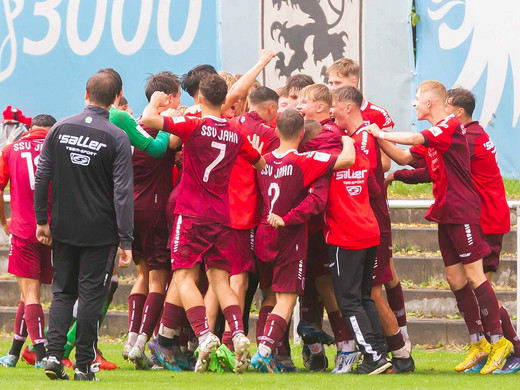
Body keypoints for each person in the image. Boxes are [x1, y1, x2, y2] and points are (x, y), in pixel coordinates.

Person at [367, 80, 512, 374]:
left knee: (475, 276)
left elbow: (416, 141)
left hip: (464, 212)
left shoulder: (447, 125)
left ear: (431, 103)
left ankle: (500, 343)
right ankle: (478, 343)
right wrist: (377, 141)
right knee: (454, 278)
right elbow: (407, 158)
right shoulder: (437, 134)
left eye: (417, 99)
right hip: (446, 212)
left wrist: (380, 131)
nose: (414, 104)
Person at [141, 74, 265, 374]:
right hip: (222, 214)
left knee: (184, 277)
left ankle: (205, 334)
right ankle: (237, 332)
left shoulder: (193, 125)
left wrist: (157, 102)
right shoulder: (236, 133)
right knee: (220, 279)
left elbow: (149, 121)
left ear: (199, 99)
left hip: (191, 211)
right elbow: (260, 162)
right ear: (225, 101)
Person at [34, 70, 134, 381]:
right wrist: (126, 240)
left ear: (86, 93)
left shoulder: (60, 128)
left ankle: (52, 355)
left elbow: (42, 178)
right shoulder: (117, 137)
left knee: (63, 293)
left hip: (63, 227)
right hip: (100, 232)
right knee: (91, 295)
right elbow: (122, 192)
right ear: (117, 99)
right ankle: (82, 366)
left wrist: (42, 221)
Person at [251, 109, 356, 373]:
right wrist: (348, 138)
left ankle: (269, 351)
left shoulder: (261, 159)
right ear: (300, 134)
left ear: (276, 131)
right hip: (289, 235)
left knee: (270, 296)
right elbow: (347, 160)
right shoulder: (305, 160)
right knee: (287, 298)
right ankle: (263, 352)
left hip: (263, 232)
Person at [327, 58, 410, 351]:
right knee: (371, 288)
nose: (332, 90)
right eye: (330, 83)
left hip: (368, 209)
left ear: (353, 83)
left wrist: (356, 158)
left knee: (380, 281)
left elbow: (386, 162)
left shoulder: (372, 117)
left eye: (337, 84)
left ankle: (398, 345)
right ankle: (390, 351)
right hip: (355, 211)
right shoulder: (337, 122)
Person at [324, 89, 393, 375]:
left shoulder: (348, 147)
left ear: (349, 107)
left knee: (349, 301)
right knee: (364, 297)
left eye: (334, 106)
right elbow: (374, 188)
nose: (331, 112)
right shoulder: (358, 148)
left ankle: (374, 357)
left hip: (346, 234)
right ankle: (380, 354)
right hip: (367, 231)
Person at [296, 84, 361, 373]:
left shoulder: (327, 135)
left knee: (326, 283)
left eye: (304, 102)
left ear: (321, 108)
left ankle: (348, 346)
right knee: (308, 283)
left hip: (323, 222)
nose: (299, 106)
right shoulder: (314, 132)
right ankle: (316, 350)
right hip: (306, 223)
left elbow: (333, 164)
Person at [126, 72, 183, 370]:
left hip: (130, 210)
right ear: (170, 98)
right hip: (156, 208)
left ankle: (130, 336)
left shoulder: (133, 127)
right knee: (158, 279)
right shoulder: (162, 128)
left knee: (141, 274)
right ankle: (140, 344)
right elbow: (176, 139)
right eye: (178, 97)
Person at [0, 115, 55, 369]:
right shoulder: (58, 147)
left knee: (30, 293)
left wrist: (4, 222)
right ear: (51, 129)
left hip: (23, 230)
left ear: (30, 129)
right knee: (29, 293)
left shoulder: (10, 149)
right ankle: (13, 352)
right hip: (53, 231)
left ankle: (42, 354)